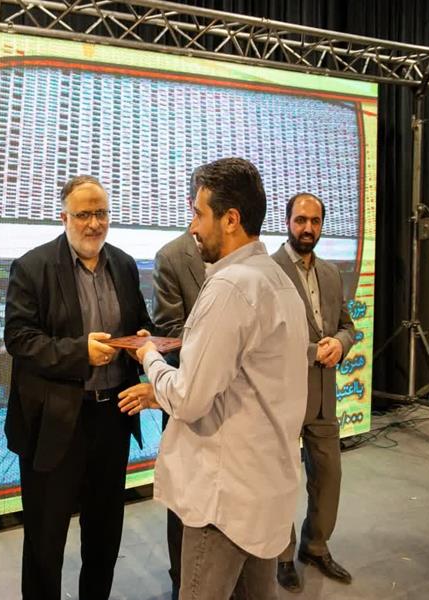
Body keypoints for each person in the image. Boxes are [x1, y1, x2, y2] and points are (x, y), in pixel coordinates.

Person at [118, 157, 308, 599]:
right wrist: (163, 389)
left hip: (224, 500)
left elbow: (189, 399)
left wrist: (149, 357)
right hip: (263, 489)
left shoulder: (230, 287)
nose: (193, 227)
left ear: (231, 219)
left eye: (199, 214)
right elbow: (244, 383)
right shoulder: (278, 281)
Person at [4, 175, 153, 600]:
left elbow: (139, 322)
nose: (94, 223)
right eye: (84, 214)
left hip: (112, 419)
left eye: (101, 213)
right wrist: (79, 352)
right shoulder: (32, 267)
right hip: (54, 425)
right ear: (64, 217)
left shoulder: (123, 265)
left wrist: (142, 340)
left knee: (104, 534)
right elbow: (19, 339)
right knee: (45, 540)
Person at [272, 193, 356, 592]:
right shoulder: (268, 272)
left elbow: (347, 325)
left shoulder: (331, 272)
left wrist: (340, 342)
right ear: (287, 221)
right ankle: (281, 555)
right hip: (282, 398)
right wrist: (311, 352)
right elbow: (264, 339)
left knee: (328, 477)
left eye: (315, 221)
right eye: (301, 220)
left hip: (323, 396)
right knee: (282, 482)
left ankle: (315, 546)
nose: (308, 228)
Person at [151, 225, 206, 600]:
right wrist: (220, 347)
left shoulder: (244, 257)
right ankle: (181, 580)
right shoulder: (171, 257)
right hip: (183, 390)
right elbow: (169, 331)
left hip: (232, 402)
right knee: (184, 495)